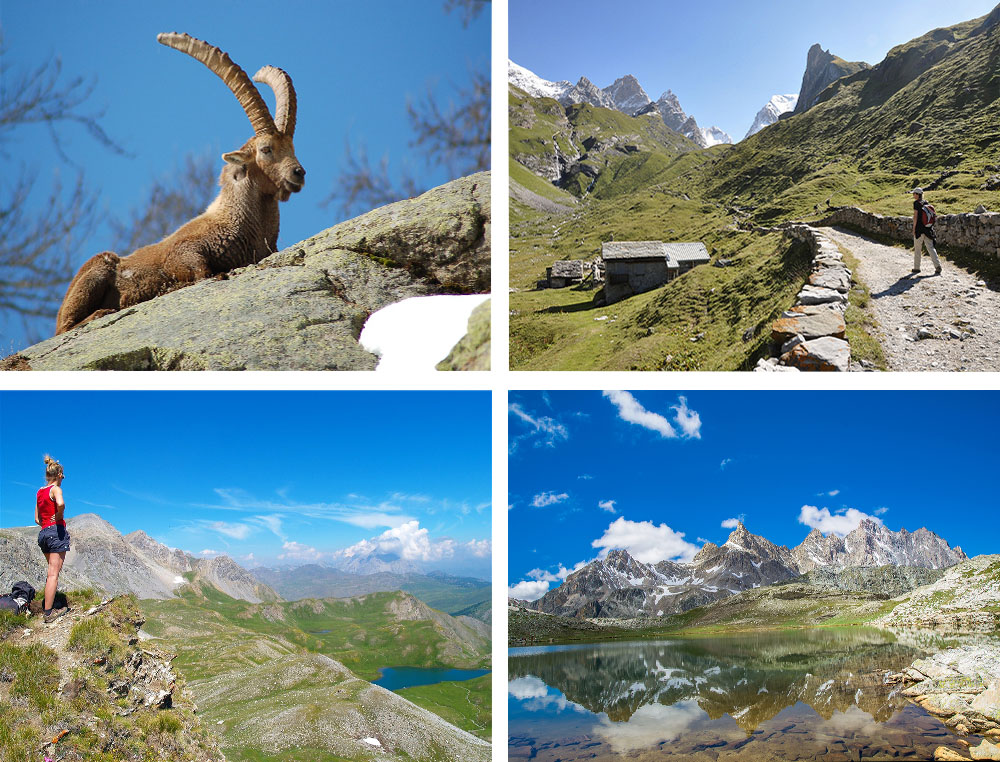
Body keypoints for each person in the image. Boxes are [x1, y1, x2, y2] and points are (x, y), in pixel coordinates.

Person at [36, 454, 71, 623]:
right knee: (53, 574)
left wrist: (47, 522)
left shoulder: (39, 492)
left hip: (43, 533)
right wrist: (58, 516)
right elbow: (61, 503)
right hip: (56, 532)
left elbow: (36, 519)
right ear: (58, 475)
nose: (63, 479)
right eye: (62, 476)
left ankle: (50, 603)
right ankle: (48, 613)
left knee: (51, 571)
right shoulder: (55, 489)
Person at [911, 187, 942, 276]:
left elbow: (915, 217)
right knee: (931, 248)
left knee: (917, 249)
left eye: (914, 194)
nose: (913, 195)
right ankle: (937, 266)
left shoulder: (916, 203)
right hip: (928, 229)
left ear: (917, 194)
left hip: (919, 229)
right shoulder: (926, 203)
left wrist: (914, 229)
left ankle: (917, 268)